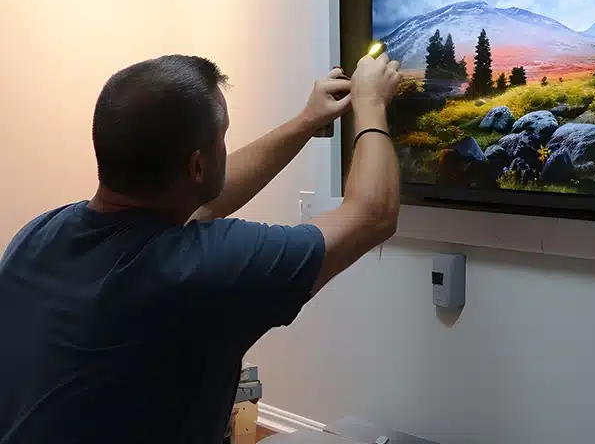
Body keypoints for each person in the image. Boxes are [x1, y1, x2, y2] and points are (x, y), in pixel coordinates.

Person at [0, 52, 401, 443]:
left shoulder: (40, 234)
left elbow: (201, 203)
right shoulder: (202, 269)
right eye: (222, 138)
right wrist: (370, 104)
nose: (225, 147)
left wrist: (303, 123)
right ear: (196, 166)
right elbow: (372, 215)